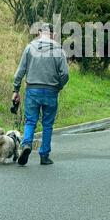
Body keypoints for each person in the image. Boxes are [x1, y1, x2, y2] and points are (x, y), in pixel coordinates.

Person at [13, 23, 69, 166]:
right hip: (51, 91)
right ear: (53, 34)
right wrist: (59, 86)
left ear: (39, 33)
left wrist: (16, 89)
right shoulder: (58, 49)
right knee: (48, 124)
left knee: (30, 120)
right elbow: (65, 74)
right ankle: (44, 156)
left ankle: (26, 144)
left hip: (32, 90)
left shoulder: (30, 47)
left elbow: (20, 71)